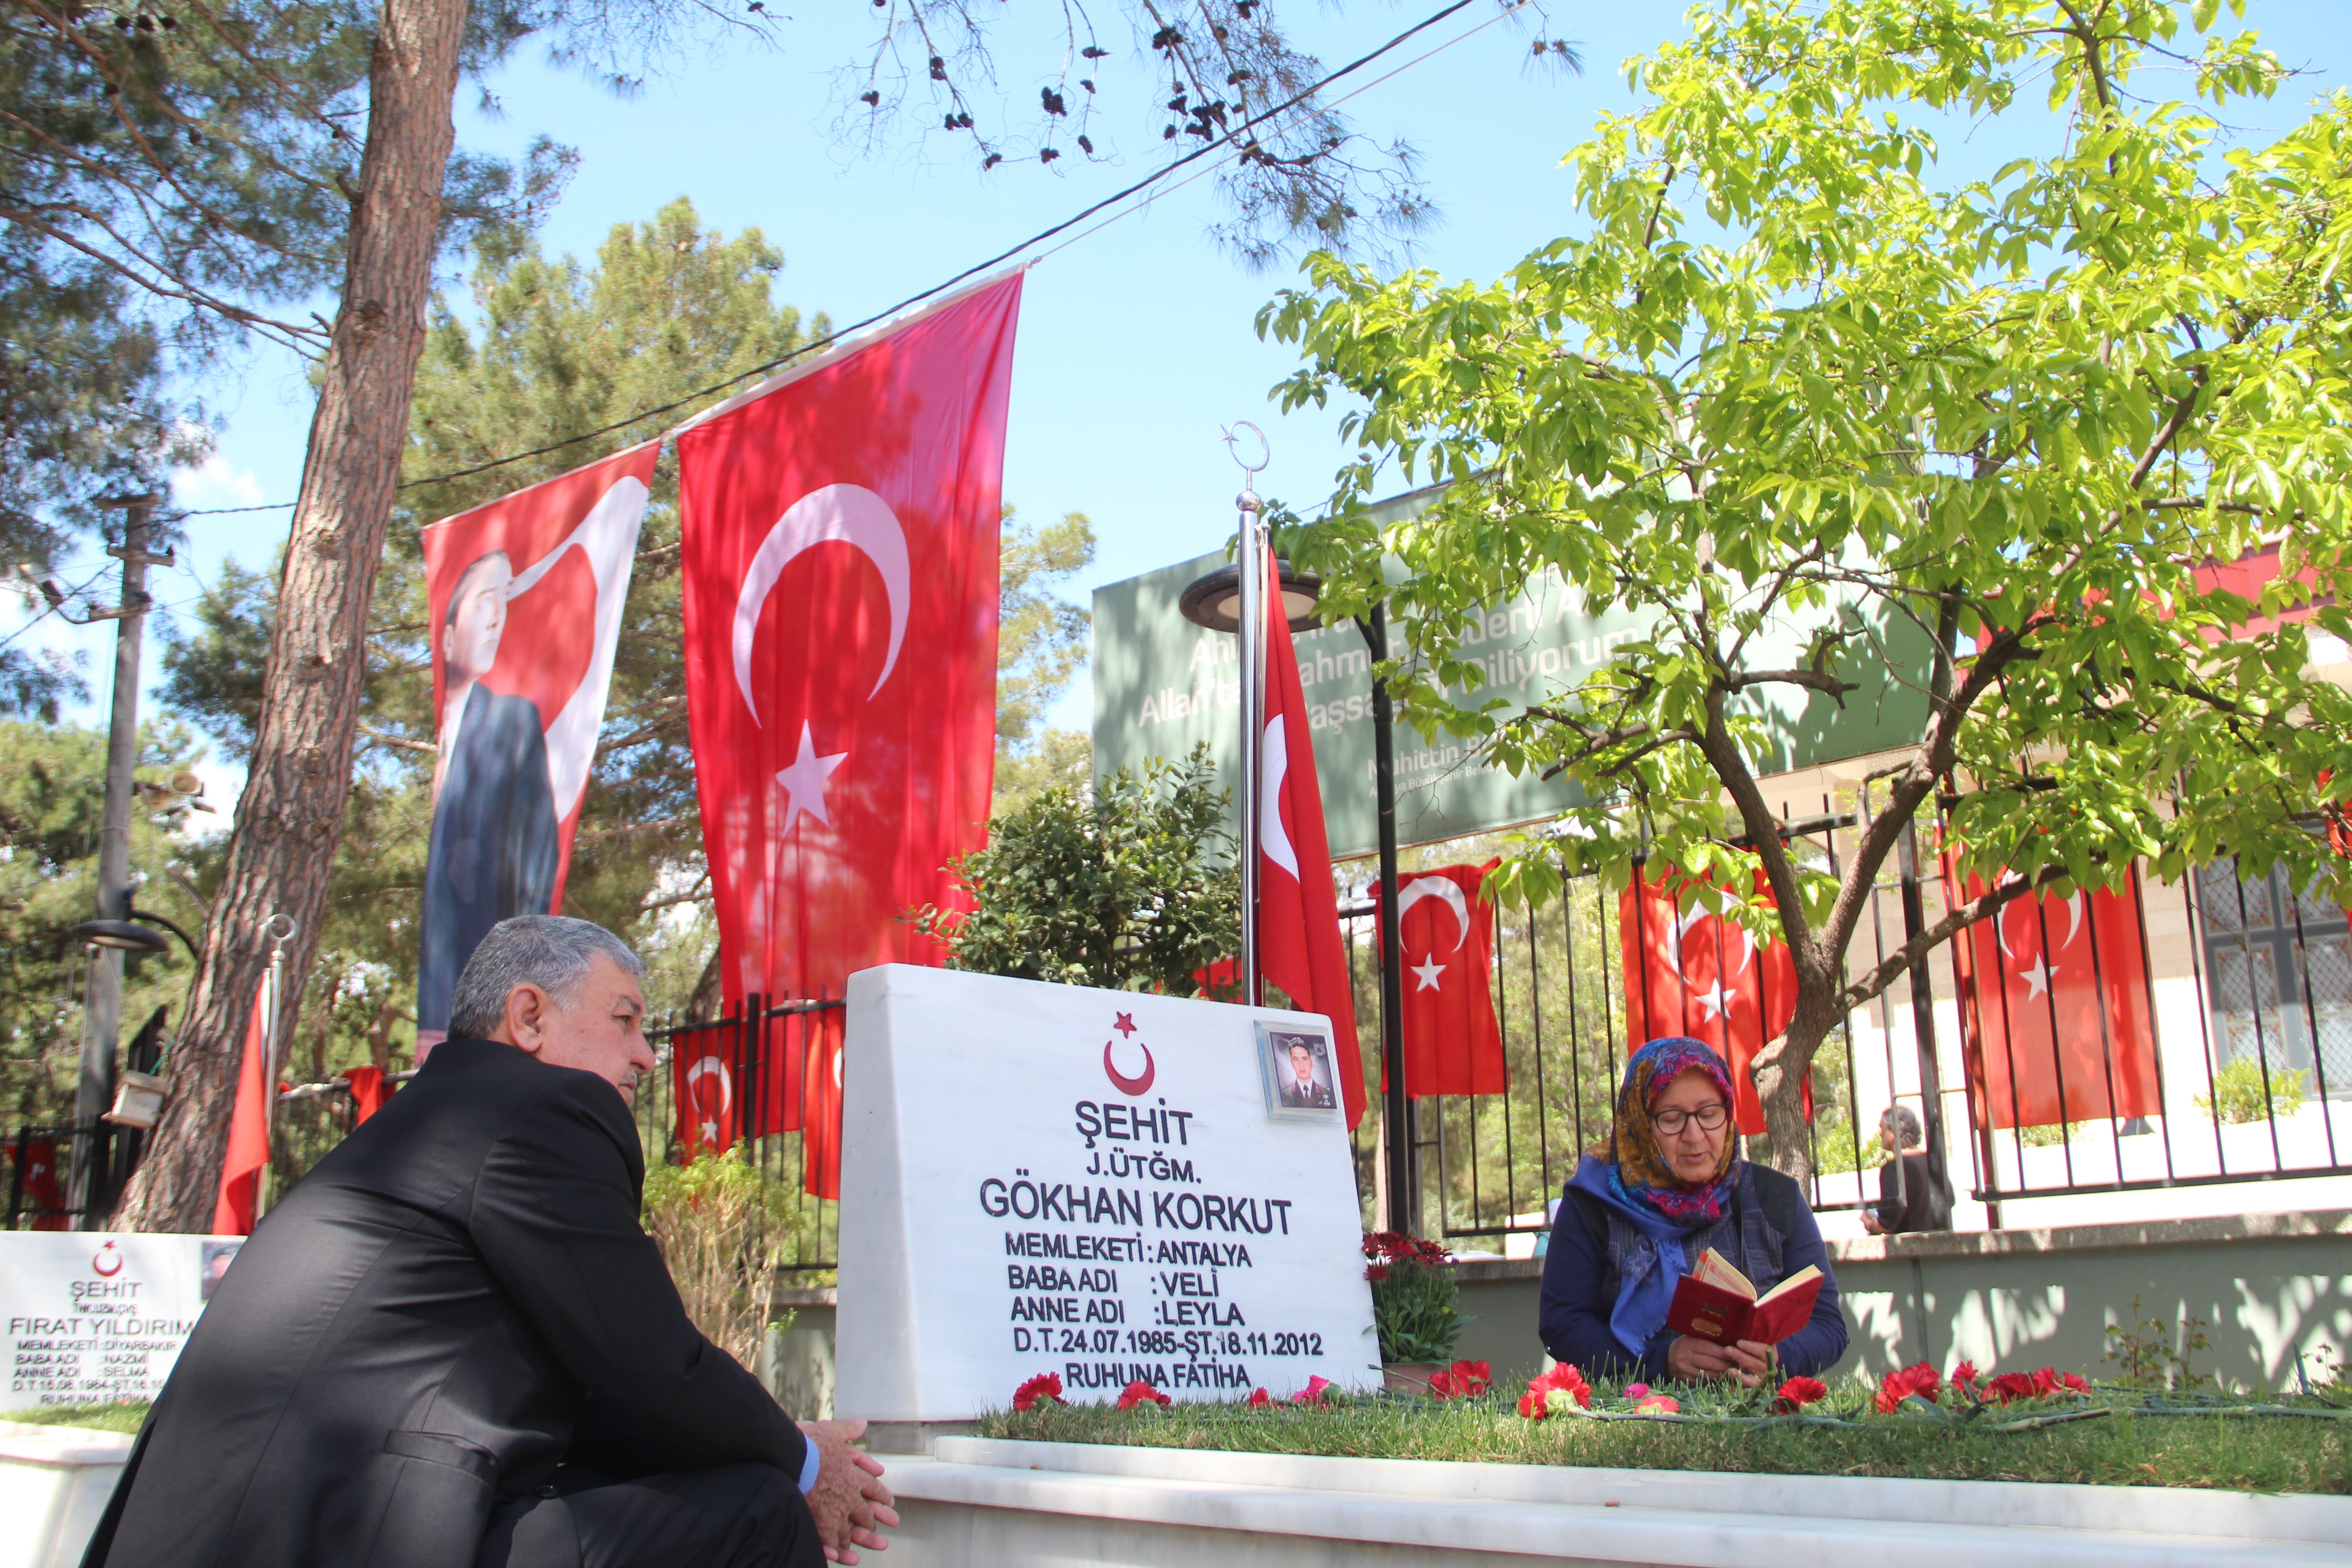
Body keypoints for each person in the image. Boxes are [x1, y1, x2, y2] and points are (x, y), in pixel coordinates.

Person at [80, 915, 895, 1568]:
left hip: (246, 1521)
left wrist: (787, 1443)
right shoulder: (540, 1112)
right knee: (754, 1511)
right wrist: (803, 1465)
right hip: (357, 1528)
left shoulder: (427, 1119)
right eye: (625, 1021)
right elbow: (647, 1362)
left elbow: (590, 1401)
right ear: (530, 1016)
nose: (647, 1055)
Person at [1538, 1037, 1847, 1386]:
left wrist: (1775, 1361)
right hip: (1638, 1416)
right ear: (1640, 1122)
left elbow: (1828, 1326)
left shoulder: (1775, 1197)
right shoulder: (1594, 1203)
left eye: (1709, 1114)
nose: (1695, 1135)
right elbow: (1562, 1325)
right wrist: (1661, 1362)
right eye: (1671, 1119)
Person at [416, 550, 562, 1057]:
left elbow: (537, 864)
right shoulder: (444, 742)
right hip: (439, 1017)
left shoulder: (514, 722)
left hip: (494, 1015)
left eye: (505, 599)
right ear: (449, 635)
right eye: (484, 601)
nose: (499, 615)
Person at [1861, 1103, 1953, 1235]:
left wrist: (1872, 1225)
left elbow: (1889, 1220)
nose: (1881, 1135)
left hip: (1911, 1246)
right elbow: (1949, 1198)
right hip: (1941, 1239)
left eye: (1882, 1129)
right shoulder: (1931, 1161)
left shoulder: (1894, 1169)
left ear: (1893, 1133)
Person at [1277, 1039, 1336, 1109]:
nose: (1301, 1065)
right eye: (1296, 1060)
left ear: (1311, 1063)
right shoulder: (1285, 1094)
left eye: (1304, 1059)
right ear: (1292, 1064)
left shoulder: (1326, 1093)